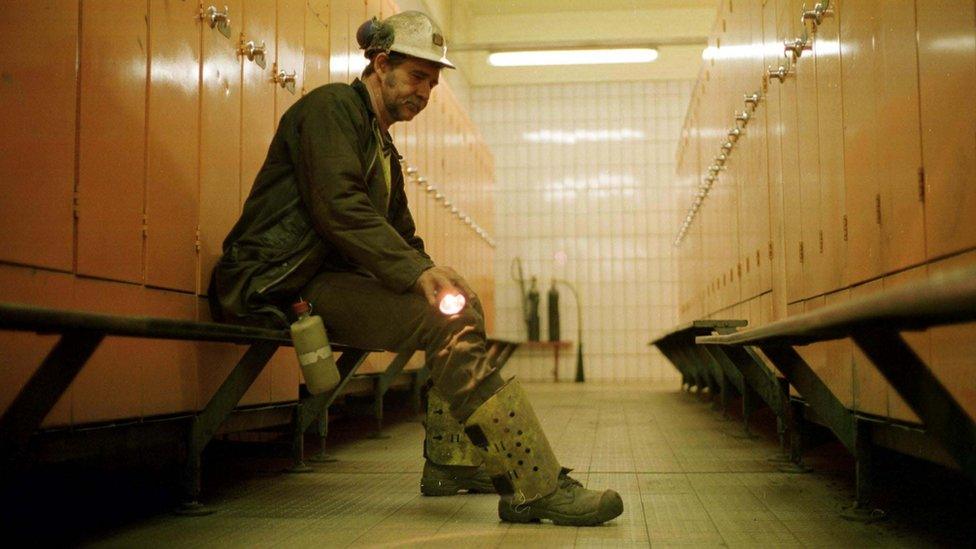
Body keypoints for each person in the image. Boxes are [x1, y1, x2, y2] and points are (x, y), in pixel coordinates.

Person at [208, 10, 622, 526]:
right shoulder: (331, 110)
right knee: (442, 316)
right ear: (381, 65)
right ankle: (533, 485)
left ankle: (451, 463)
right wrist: (414, 274)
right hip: (275, 280)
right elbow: (339, 207)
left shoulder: (380, 144)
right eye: (416, 77)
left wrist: (432, 273)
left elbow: (403, 236)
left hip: (320, 278)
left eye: (432, 81)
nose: (425, 92)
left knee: (456, 301)